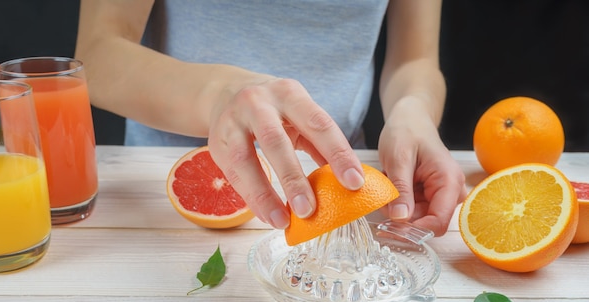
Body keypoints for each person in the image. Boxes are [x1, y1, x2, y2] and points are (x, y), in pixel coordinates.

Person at [75, 0, 467, 236]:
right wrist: (218, 95)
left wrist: (413, 109)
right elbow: (98, 53)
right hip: (169, 196)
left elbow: (414, 59)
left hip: (341, 192)